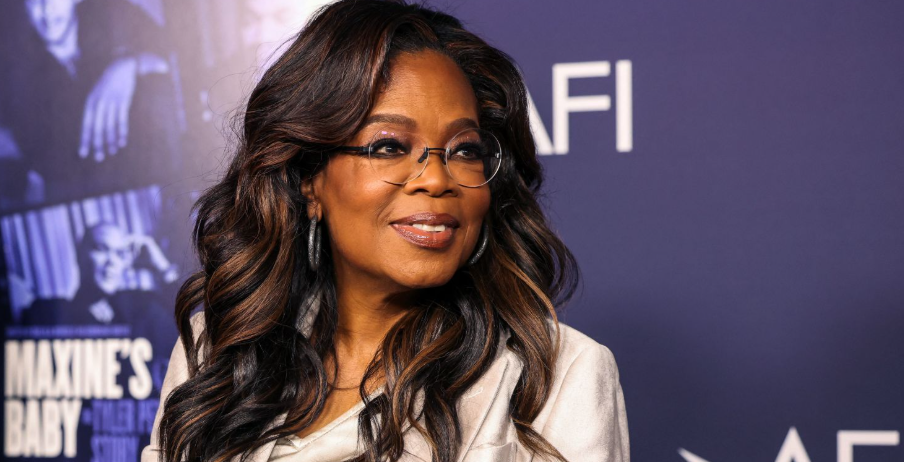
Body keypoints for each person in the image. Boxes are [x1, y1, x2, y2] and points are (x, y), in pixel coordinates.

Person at [142, 1, 629, 461]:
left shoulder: (558, 377)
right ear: (310, 178)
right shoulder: (218, 351)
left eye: (465, 149)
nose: (437, 179)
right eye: (389, 146)